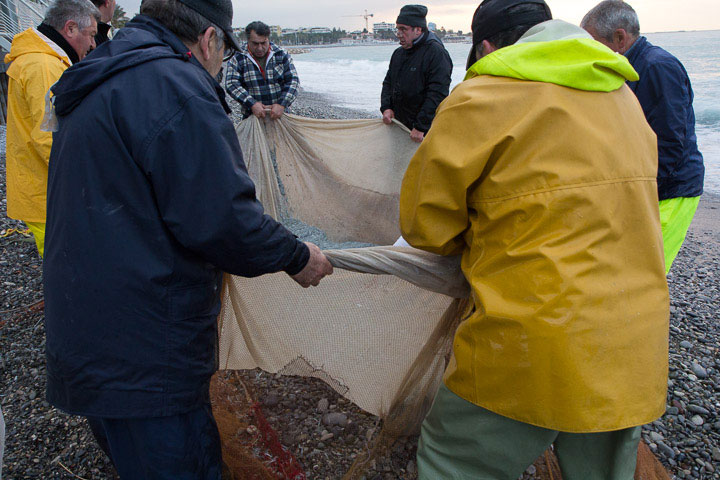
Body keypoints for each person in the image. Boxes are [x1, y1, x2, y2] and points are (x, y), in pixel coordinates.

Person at [42, 0, 333, 477]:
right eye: (224, 51)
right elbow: (222, 219)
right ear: (209, 39)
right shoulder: (176, 87)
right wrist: (297, 255)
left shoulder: (100, 70)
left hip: (85, 334)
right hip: (146, 351)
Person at [399, 0, 670, 478]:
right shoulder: (624, 96)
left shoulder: (481, 97)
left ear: (486, 46)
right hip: (633, 346)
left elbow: (426, 228)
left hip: (527, 345)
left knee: (452, 460)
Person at [581, 1, 704, 273]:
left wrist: (643, 192)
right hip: (648, 185)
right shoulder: (626, 67)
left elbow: (670, 141)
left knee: (647, 270)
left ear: (619, 38)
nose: (588, 51)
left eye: (593, 42)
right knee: (628, 265)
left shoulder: (658, 67)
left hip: (672, 190)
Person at [3, 0, 99, 257]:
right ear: (70, 28)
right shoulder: (45, 67)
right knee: (66, 265)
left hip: (41, 190)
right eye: (90, 35)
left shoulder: (40, 60)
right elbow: (50, 138)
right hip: (47, 196)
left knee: (62, 264)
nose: (93, 44)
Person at [381, 4, 452, 143]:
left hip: (422, 132)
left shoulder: (436, 53)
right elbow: (388, 82)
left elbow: (438, 93)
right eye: (398, 29)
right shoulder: (398, 53)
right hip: (398, 125)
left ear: (418, 30)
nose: (399, 34)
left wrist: (421, 126)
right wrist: (386, 107)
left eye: (403, 29)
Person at [225, 21, 299, 120]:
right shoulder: (238, 57)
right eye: (255, 44)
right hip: (252, 116)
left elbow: (293, 81)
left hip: (280, 115)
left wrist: (282, 104)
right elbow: (231, 83)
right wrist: (252, 103)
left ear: (268, 39)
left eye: (263, 43)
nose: (260, 48)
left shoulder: (281, 54)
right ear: (248, 40)